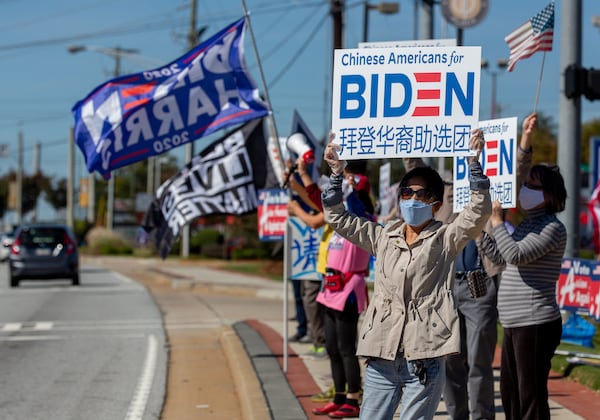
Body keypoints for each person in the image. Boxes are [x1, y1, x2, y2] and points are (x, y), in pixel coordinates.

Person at [321, 129, 491, 420]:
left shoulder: (446, 238)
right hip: (382, 352)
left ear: (436, 203)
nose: (412, 198)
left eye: (421, 193)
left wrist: (474, 165)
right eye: (406, 192)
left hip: (424, 355)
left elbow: (477, 213)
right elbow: (337, 217)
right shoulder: (383, 236)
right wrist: (336, 174)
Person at [477, 112, 567, 420]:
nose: (525, 188)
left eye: (533, 185)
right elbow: (501, 255)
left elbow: (515, 255)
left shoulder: (552, 228)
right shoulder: (530, 224)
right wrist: (481, 232)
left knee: (530, 396)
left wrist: (498, 222)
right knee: (512, 394)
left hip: (536, 322)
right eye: (526, 183)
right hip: (515, 323)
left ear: (551, 195)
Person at [402, 158, 503, 420]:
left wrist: (525, 142)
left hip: (479, 286)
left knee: (479, 363)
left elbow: (517, 169)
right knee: (450, 362)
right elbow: (416, 171)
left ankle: (481, 417)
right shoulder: (445, 196)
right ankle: (457, 416)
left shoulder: (488, 198)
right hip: (446, 288)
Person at [312, 167, 374, 418]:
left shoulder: (365, 219)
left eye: (351, 188)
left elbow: (358, 207)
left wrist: (348, 188)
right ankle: (339, 395)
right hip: (330, 286)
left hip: (349, 287)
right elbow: (321, 202)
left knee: (347, 347)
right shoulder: (340, 219)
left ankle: (353, 398)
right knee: (332, 346)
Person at [287, 156, 327, 357]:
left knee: (316, 303)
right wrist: (296, 182)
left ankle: (322, 342)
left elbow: (316, 220)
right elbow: (315, 200)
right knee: (309, 299)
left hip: (334, 267)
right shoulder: (334, 194)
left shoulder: (344, 194)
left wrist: (296, 211)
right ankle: (319, 340)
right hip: (322, 262)